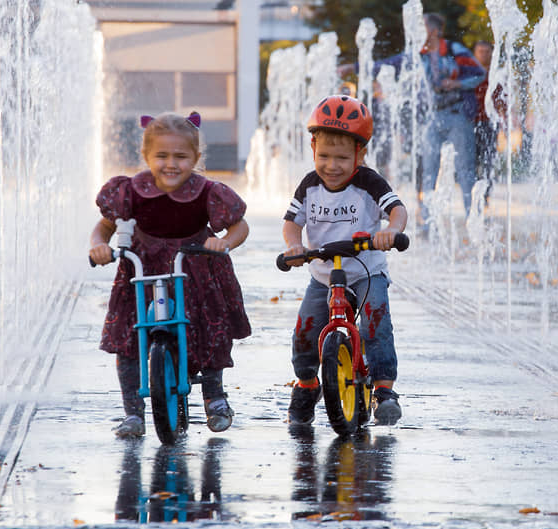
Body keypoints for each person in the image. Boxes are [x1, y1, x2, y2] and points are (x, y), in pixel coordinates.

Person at [89, 112, 251, 437]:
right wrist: (98, 246)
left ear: (196, 158)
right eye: (161, 156)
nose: (171, 164)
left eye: (181, 156)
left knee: (209, 330)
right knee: (130, 338)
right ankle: (133, 413)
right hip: (143, 268)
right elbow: (105, 226)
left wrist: (224, 242)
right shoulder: (132, 190)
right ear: (146, 156)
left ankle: (214, 396)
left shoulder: (207, 191)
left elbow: (239, 225)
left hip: (194, 268)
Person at [282, 95, 409, 426]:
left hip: (366, 271)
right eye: (324, 156)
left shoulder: (369, 182)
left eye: (342, 157)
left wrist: (391, 231)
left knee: (376, 323)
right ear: (312, 148)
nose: (332, 165)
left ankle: (384, 390)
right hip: (323, 274)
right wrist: (294, 246)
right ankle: (307, 385)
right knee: (305, 331)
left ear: (360, 154)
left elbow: (397, 209)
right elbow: (291, 222)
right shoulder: (309, 186)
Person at [340, 13, 485, 224]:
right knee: (429, 168)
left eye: (421, 27)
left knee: (465, 168)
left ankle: (474, 219)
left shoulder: (454, 50)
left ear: (434, 31)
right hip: (431, 117)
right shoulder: (417, 54)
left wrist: (458, 84)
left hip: (457, 115)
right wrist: (353, 68)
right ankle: (428, 221)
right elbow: (388, 64)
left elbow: (478, 73)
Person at [472, 40, 507, 202]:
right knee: (471, 159)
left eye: (486, 51)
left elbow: (502, 101)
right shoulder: (469, 73)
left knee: (488, 159)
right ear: (475, 53)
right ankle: (473, 194)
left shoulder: (496, 75)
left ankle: (486, 194)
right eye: (480, 51)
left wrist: (505, 122)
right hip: (470, 123)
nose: (483, 54)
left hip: (489, 124)